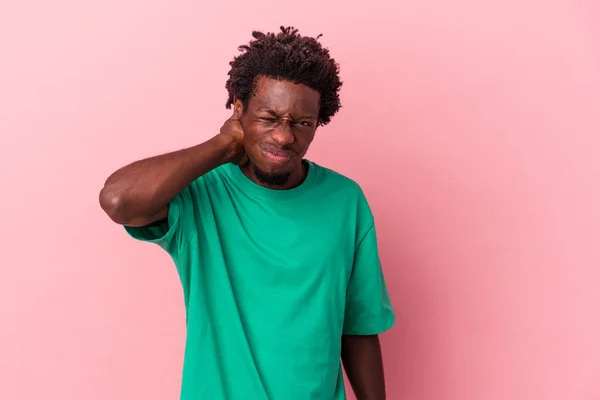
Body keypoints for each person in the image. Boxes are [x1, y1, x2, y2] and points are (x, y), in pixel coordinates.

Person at [99, 26, 395, 400]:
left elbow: (359, 327)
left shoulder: (345, 200)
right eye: (269, 117)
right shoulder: (203, 194)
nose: (285, 137)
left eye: (302, 123)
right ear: (239, 109)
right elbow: (118, 201)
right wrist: (224, 144)